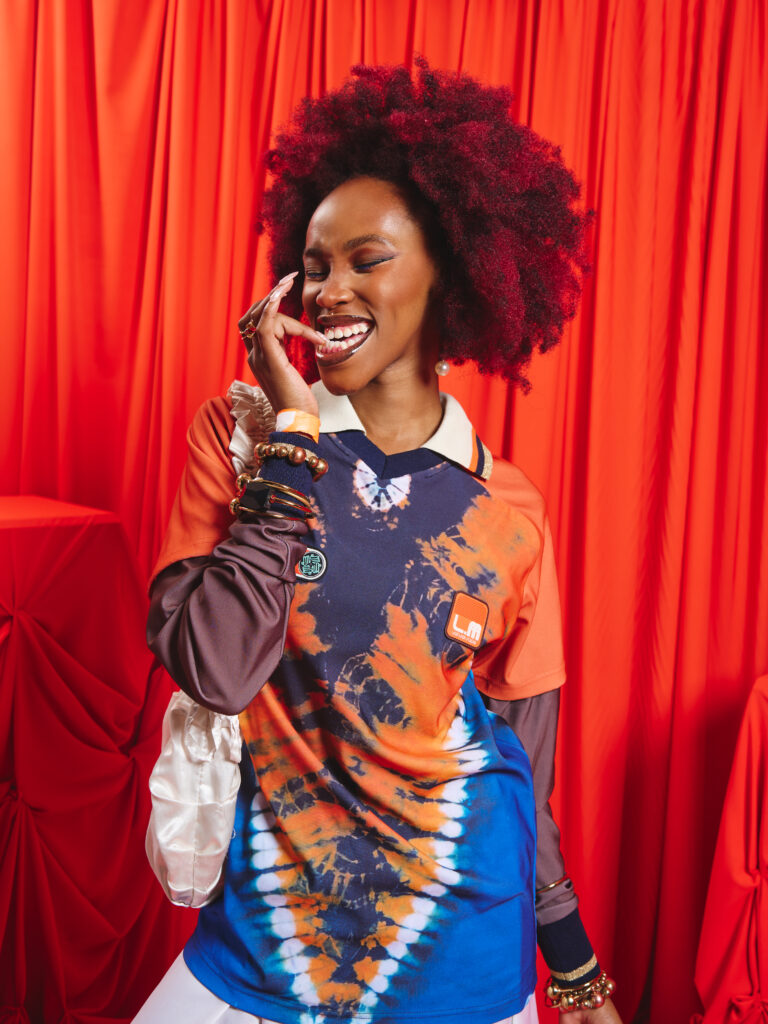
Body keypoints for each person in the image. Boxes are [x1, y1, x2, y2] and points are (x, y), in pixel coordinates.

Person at [135, 61, 622, 1024]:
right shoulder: (241, 440)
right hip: (268, 944)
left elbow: (522, 769)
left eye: (368, 260)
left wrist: (573, 967)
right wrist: (291, 438)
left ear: (453, 273)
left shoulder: (509, 508)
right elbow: (216, 670)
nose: (329, 291)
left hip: (458, 949)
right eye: (315, 266)